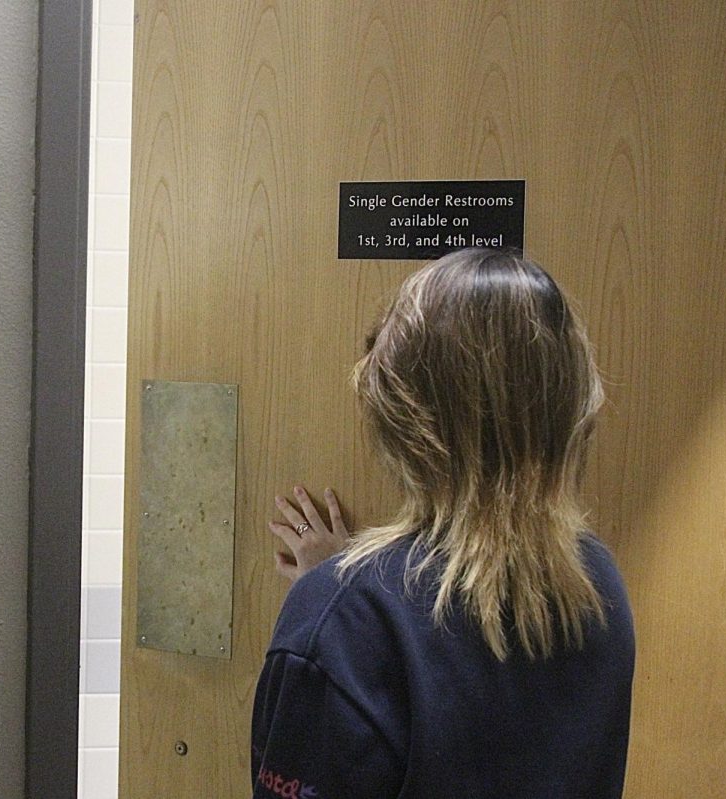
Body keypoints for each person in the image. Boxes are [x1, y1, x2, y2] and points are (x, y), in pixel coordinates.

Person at [252, 248, 635, 798]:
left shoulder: (346, 618)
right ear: (571, 403)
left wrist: (339, 599)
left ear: (402, 413)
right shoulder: (597, 584)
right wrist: (347, 591)